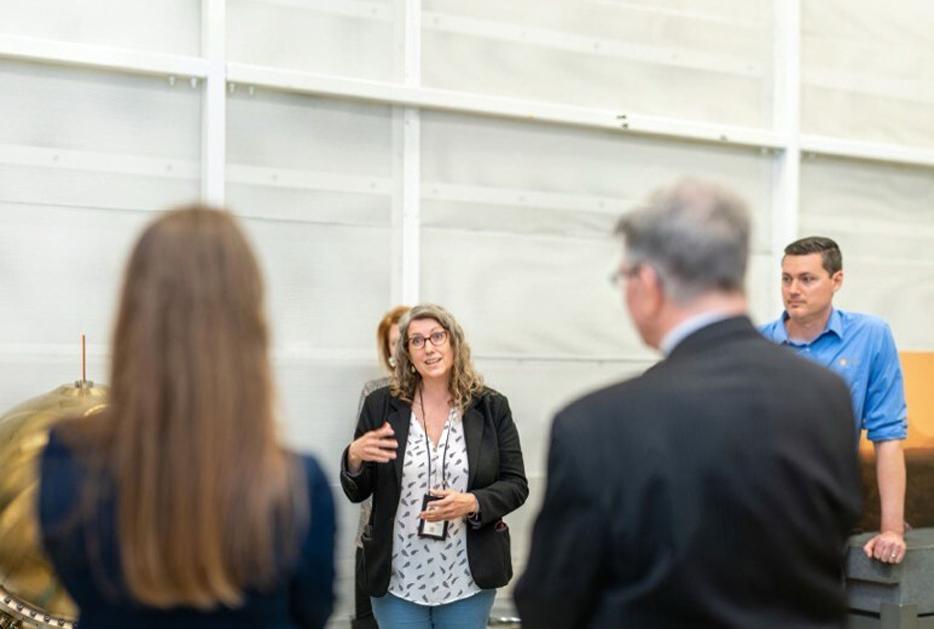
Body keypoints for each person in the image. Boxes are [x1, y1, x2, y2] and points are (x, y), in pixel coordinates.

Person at [514, 179, 862, 628]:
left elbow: (551, 603)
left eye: (624, 278)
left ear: (649, 283)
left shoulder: (596, 425)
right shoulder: (826, 396)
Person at [38, 206, 335, 629]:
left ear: (133, 316)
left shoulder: (66, 460)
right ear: (251, 327)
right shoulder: (298, 490)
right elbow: (313, 614)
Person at [341, 304, 528, 629]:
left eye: (437, 336)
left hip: (467, 578)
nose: (428, 347)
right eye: (416, 340)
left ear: (454, 342)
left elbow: (516, 484)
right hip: (397, 579)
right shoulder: (381, 405)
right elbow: (359, 490)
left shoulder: (491, 406)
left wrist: (472, 502)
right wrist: (354, 457)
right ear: (406, 353)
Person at [759, 236, 908, 564]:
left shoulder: (870, 336)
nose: (793, 290)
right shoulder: (756, 343)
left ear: (836, 280)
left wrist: (892, 530)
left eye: (807, 279)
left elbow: (888, 436)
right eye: (786, 279)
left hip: (824, 515)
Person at [352, 305, 409, 629]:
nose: (402, 348)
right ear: (387, 351)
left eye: (409, 339)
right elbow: (361, 466)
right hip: (377, 534)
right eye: (394, 342)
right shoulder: (375, 393)